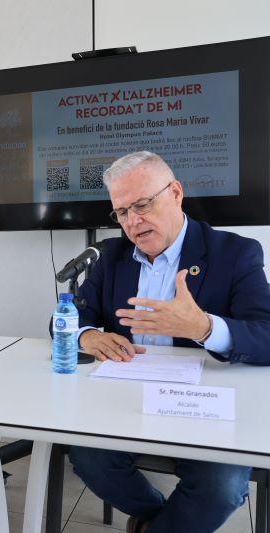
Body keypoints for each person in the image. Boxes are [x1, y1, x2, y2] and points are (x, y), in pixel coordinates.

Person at [69, 151, 270, 533]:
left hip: (204, 408)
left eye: (143, 204)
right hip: (123, 400)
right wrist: (89, 335)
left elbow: (266, 335)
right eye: (122, 212)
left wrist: (204, 328)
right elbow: (65, 319)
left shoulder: (235, 253)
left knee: (221, 486)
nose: (133, 221)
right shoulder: (112, 256)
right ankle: (158, 520)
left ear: (175, 193)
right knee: (87, 456)